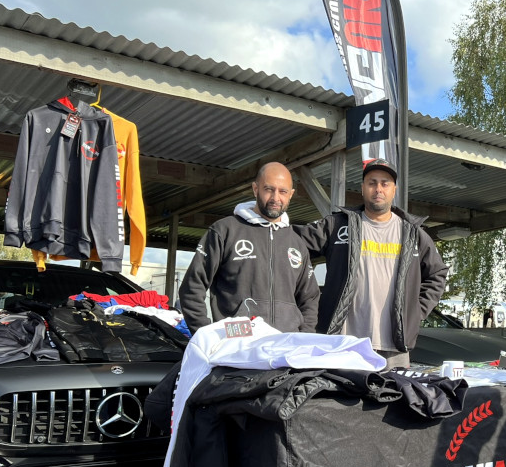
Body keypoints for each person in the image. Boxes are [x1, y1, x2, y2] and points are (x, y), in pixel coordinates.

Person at [296, 158, 449, 369]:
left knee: (394, 391)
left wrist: (415, 312)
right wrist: (266, 223)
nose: (378, 189)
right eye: (372, 183)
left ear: (394, 190)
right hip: (343, 343)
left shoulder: (413, 234)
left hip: (394, 346)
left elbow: (437, 274)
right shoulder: (337, 226)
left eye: (385, 183)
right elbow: (292, 243)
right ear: (362, 188)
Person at [177, 161, 319, 335]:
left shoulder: (297, 243)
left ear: (291, 194)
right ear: (255, 189)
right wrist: (207, 336)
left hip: (285, 344)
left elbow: (310, 298)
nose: (275, 198)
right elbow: (192, 287)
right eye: (269, 189)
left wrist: (303, 337)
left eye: (283, 191)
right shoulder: (225, 231)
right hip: (238, 342)